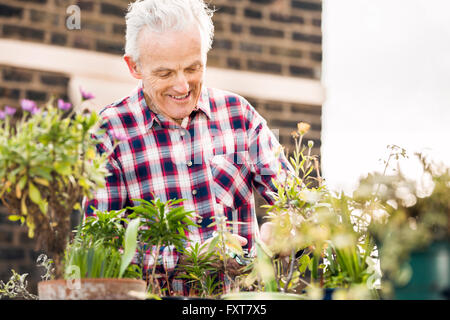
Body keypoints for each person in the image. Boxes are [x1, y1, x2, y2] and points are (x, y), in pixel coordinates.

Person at [83, 0, 291, 295]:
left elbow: (298, 202)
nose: (182, 87)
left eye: (193, 68)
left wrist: (288, 226)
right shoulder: (109, 133)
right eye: (165, 73)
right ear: (134, 66)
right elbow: (102, 253)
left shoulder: (238, 115)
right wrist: (188, 258)